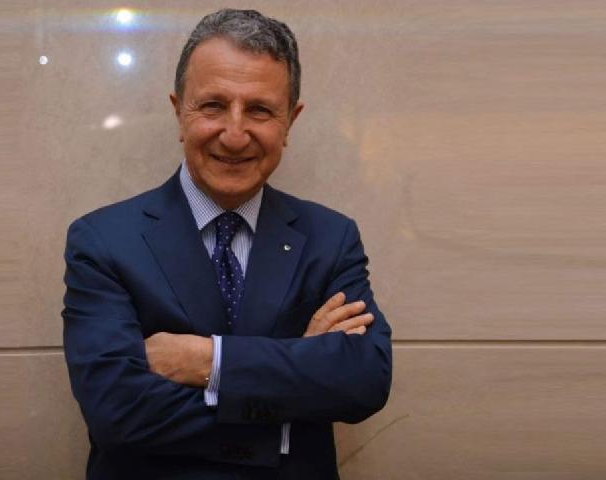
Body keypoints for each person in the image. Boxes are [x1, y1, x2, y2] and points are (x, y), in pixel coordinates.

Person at [62, 8, 392, 479]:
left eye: (259, 110)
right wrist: (295, 386)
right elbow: (116, 410)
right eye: (213, 106)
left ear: (290, 121)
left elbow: (364, 381)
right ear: (179, 111)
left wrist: (209, 361)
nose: (235, 136)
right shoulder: (103, 241)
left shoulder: (331, 238)